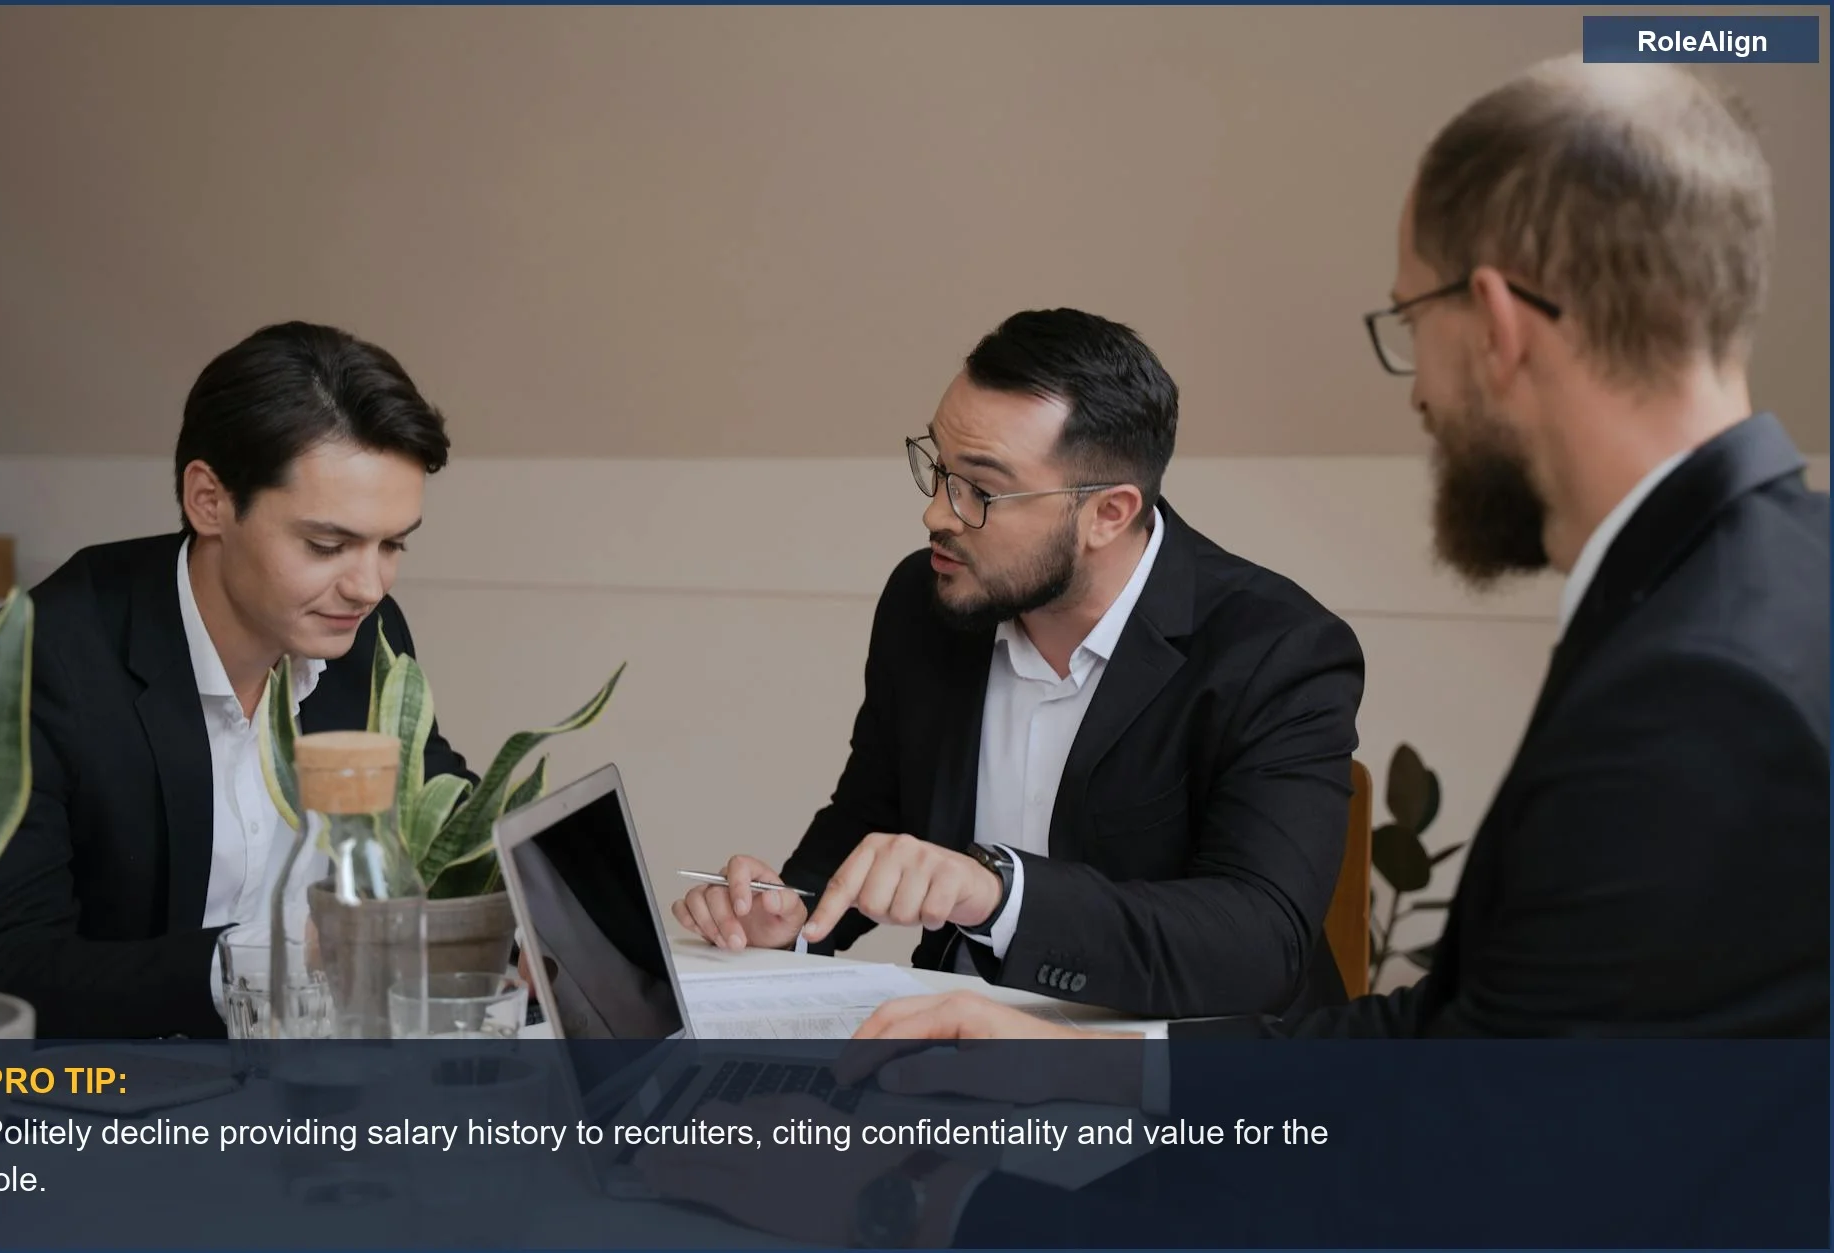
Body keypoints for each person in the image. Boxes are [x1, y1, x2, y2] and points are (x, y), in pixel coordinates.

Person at [637, 53, 1830, 1248]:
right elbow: (1449, 1048)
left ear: (1500, 325)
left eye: (1411, 322)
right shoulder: (1754, 590)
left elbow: (1483, 1156)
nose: (1416, 395)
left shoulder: (1696, 685)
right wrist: (1071, 1062)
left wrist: (900, 1204)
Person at [671, 308, 1366, 1020]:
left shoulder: (1278, 648)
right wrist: (797, 913)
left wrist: (1001, 893)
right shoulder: (927, 600)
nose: (937, 514)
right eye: (938, 468)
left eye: (981, 489)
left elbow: (1257, 942)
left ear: (1108, 513)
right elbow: (873, 812)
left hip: (1168, 1080)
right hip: (958, 1056)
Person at [0, 321, 471, 1038]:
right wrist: (280, 959)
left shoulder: (366, 640)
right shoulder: (39, 670)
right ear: (209, 500)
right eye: (328, 544)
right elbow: (2, 968)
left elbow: (451, 823)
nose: (368, 585)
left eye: (393, 544)